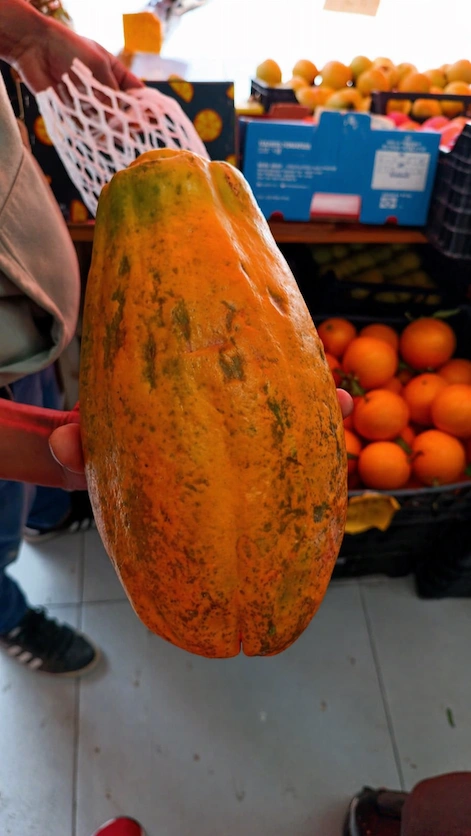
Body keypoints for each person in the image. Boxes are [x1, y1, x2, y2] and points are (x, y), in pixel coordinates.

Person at [0, 0, 142, 676]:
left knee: (26, 493)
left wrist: (25, 31)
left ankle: (43, 509)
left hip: (22, 330)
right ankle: (7, 611)